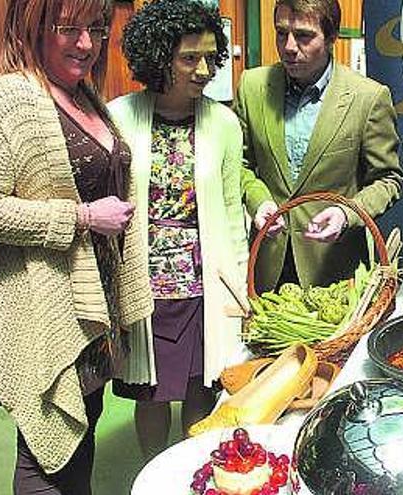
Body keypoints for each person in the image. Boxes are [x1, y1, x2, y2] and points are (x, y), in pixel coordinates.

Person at [0, 0, 152, 493]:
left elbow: (31, 192)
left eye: (96, 29)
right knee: (44, 459)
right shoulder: (11, 97)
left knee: (82, 438)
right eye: (68, 28)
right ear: (32, 25)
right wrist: (81, 218)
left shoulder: (84, 96)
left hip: (91, 310)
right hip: (45, 312)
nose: (85, 43)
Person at [107, 0, 250, 457]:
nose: (204, 69)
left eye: (210, 57)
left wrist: (242, 286)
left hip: (202, 282)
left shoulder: (225, 124)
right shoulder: (118, 117)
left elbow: (231, 212)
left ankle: (191, 469)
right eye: (190, 58)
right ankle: (153, 470)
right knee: (149, 390)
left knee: (199, 386)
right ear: (158, 57)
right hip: (142, 281)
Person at [237, 0, 403, 293]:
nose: (289, 47)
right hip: (266, 266)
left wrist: (346, 213)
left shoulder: (368, 98)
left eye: (303, 36)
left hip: (333, 269)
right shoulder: (252, 86)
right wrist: (258, 200)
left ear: (330, 37)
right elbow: (240, 164)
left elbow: (387, 180)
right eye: (281, 33)